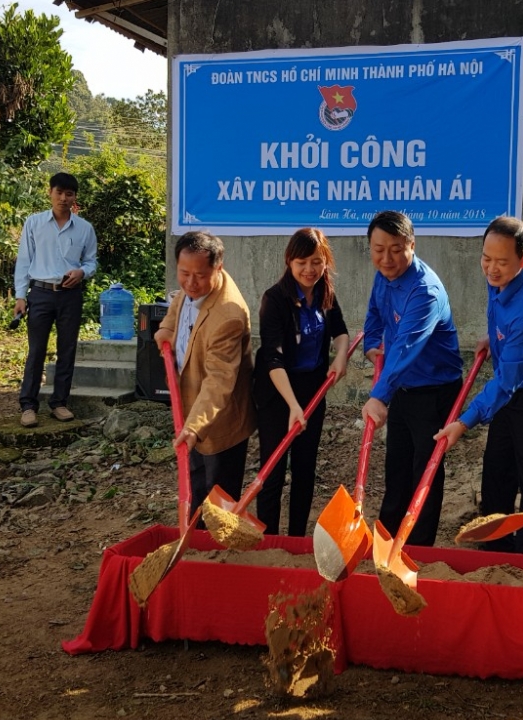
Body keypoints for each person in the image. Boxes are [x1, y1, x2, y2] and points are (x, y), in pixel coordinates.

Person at [434, 217, 523, 554]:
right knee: (497, 472)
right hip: (512, 389)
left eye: (502, 262)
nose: (492, 269)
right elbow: (503, 328)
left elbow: (506, 383)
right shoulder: (499, 280)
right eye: (486, 258)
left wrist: (464, 422)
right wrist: (494, 340)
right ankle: (495, 550)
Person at [362, 210, 463, 547]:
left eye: (395, 249)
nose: (386, 258)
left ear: (412, 245)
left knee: (425, 470)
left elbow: (405, 346)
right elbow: (376, 312)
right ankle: (387, 536)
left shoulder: (425, 292)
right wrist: (373, 343)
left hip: (434, 390)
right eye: (378, 250)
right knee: (398, 465)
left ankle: (418, 546)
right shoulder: (383, 275)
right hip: (402, 384)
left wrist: (379, 395)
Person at [253, 229, 350, 536]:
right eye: (302, 262)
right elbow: (273, 358)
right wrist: (293, 406)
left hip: (313, 389)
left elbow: (341, 330)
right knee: (274, 467)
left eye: (316, 262)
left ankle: (296, 536)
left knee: (305, 467)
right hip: (277, 392)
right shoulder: (275, 299)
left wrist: (341, 357)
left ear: (325, 262)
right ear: (289, 262)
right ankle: (267, 537)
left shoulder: (325, 291)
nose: (309, 269)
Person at [154, 231, 256, 509]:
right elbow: (179, 303)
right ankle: (196, 536)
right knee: (196, 481)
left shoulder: (228, 317)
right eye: (183, 273)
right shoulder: (194, 285)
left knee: (219, 494)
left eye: (198, 275)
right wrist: (166, 329)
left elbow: (219, 381)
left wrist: (195, 426)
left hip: (220, 419)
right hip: (190, 408)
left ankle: (218, 548)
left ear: (218, 268)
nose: (190, 282)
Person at [14, 172, 98, 427]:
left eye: (69, 194)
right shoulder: (34, 223)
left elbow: (91, 261)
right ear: (50, 192)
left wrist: (82, 272)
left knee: (67, 350)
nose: (63, 198)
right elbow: (24, 261)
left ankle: (59, 403)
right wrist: (20, 296)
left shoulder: (85, 228)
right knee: (36, 350)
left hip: (70, 295)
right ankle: (28, 406)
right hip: (39, 293)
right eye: (59, 192)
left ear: (75, 198)